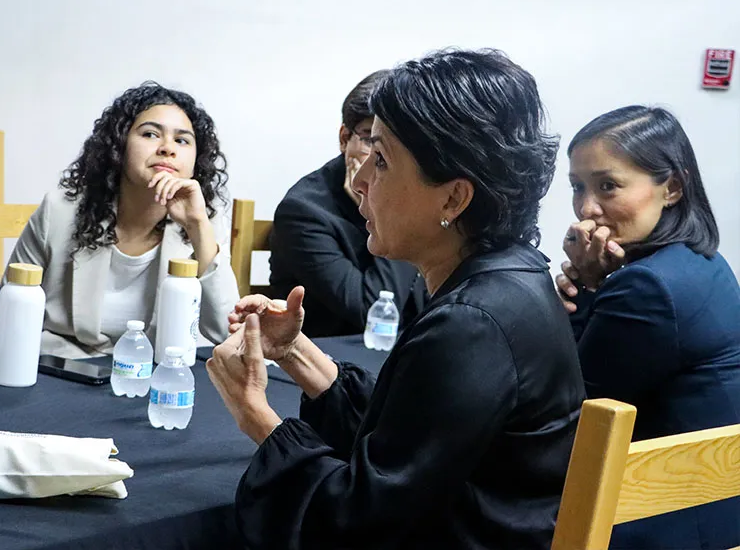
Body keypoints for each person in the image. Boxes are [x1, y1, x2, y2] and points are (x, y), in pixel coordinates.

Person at [207, 49, 586, 549]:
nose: (359, 179)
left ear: (452, 198)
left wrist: (251, 407)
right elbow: (413, 435)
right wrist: (296, 351)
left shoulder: (474, 323)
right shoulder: (514, 278)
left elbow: (355, 519)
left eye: (381, 160)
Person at [555, 105, 740, 549]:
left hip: (657, 523)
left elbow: (570, 411)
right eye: (577, 187)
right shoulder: (707, 262)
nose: (586, 208)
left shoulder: (647, 287)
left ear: (672, 188)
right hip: (717, 512)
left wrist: (582, 289)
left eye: (608, 186)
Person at [9, 82, 238, 357]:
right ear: (119, 145)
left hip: (155, 376)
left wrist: (198, 226)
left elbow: (226, 332)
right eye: (151, 134)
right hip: (65, 370)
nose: (168, 148)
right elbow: (10, 310)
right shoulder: (60, 211)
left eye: (182, 140)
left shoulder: (204, 221)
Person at [269, 70, 427, 338]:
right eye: (370, 139)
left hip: (409, 348)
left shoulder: (418, 189)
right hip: (328, 361)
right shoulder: (303, 212)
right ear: (344, 139)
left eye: (400, 143)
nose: (385, 156)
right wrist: (388, 213)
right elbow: (372, 312)